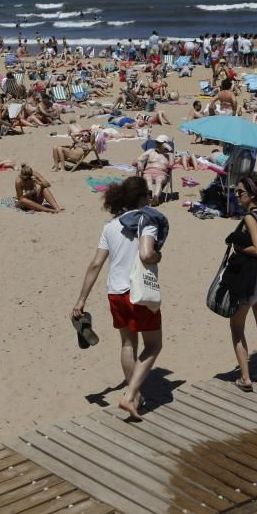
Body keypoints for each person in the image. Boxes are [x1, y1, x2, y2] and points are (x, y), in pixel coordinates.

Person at [71, 176, 168, 420]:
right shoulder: (147, 221)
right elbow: (146, 254)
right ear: (143, 197)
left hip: (115, 292)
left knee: (127, 344)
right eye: (148, 193)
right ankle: (130, 394)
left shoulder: (111, 225)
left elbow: (95, 264)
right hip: (138, 292)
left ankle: (134, 396)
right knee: (154, 345)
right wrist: (157, 256)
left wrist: (81, 300)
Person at [225, 177, 257, 391]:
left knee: (237, 327)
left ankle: (245, 378)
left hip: (251, 278)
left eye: (240, 192)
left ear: (252, 195)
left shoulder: (250, 218)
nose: (237, 195)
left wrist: (240, 249)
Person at [134, 134, 174, 206]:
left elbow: (171, 165)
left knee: (159, 180)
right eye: (156, 142)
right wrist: (139, 163)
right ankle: (150, 197)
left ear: (165, 144)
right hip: (148, 172)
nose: (157, 144)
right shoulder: (150, 151)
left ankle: (155, 198)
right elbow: (138, 159)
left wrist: (170, 152)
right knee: (147, 178)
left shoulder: (168, 155)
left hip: (162, 173)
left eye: (159, 143)